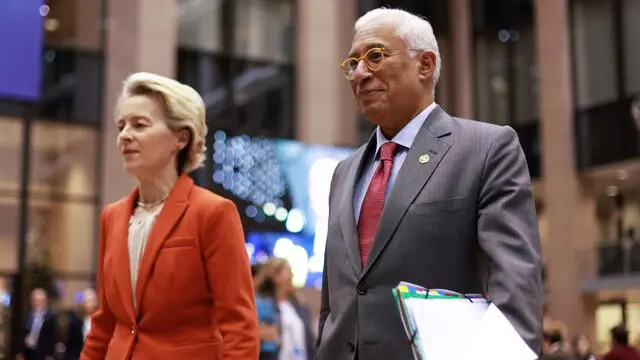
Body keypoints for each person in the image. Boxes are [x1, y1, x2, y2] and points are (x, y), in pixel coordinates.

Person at [316, 8, 542, 360]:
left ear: (424, 64)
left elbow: (516, 291)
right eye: (353, 62)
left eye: (374, 56)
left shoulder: (487, 149)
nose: (359, 73)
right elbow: (335, 301)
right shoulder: (343, 172)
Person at [80, 72, 259, 359]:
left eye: (140, 125)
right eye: (121, 126)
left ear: (181, 138)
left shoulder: (213, 213)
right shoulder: (111, 217)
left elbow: (239, 328)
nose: (125, 135)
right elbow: (104, 324)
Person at [255, 257, 315, 360]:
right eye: (287, 270)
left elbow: (309, 341)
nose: (291, 275)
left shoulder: (300, 306)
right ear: (274, 277)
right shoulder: (263, 307)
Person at [18, 288, 58, 360]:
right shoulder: (28, 316)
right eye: (35, 300)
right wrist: (21, 352)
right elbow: (23, 335)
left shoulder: (50, 318)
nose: (37, 303)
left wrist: (50, 355)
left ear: (45, 301)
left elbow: (53, 338)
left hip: (43, 353)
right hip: (29, 351)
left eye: (40, 301)